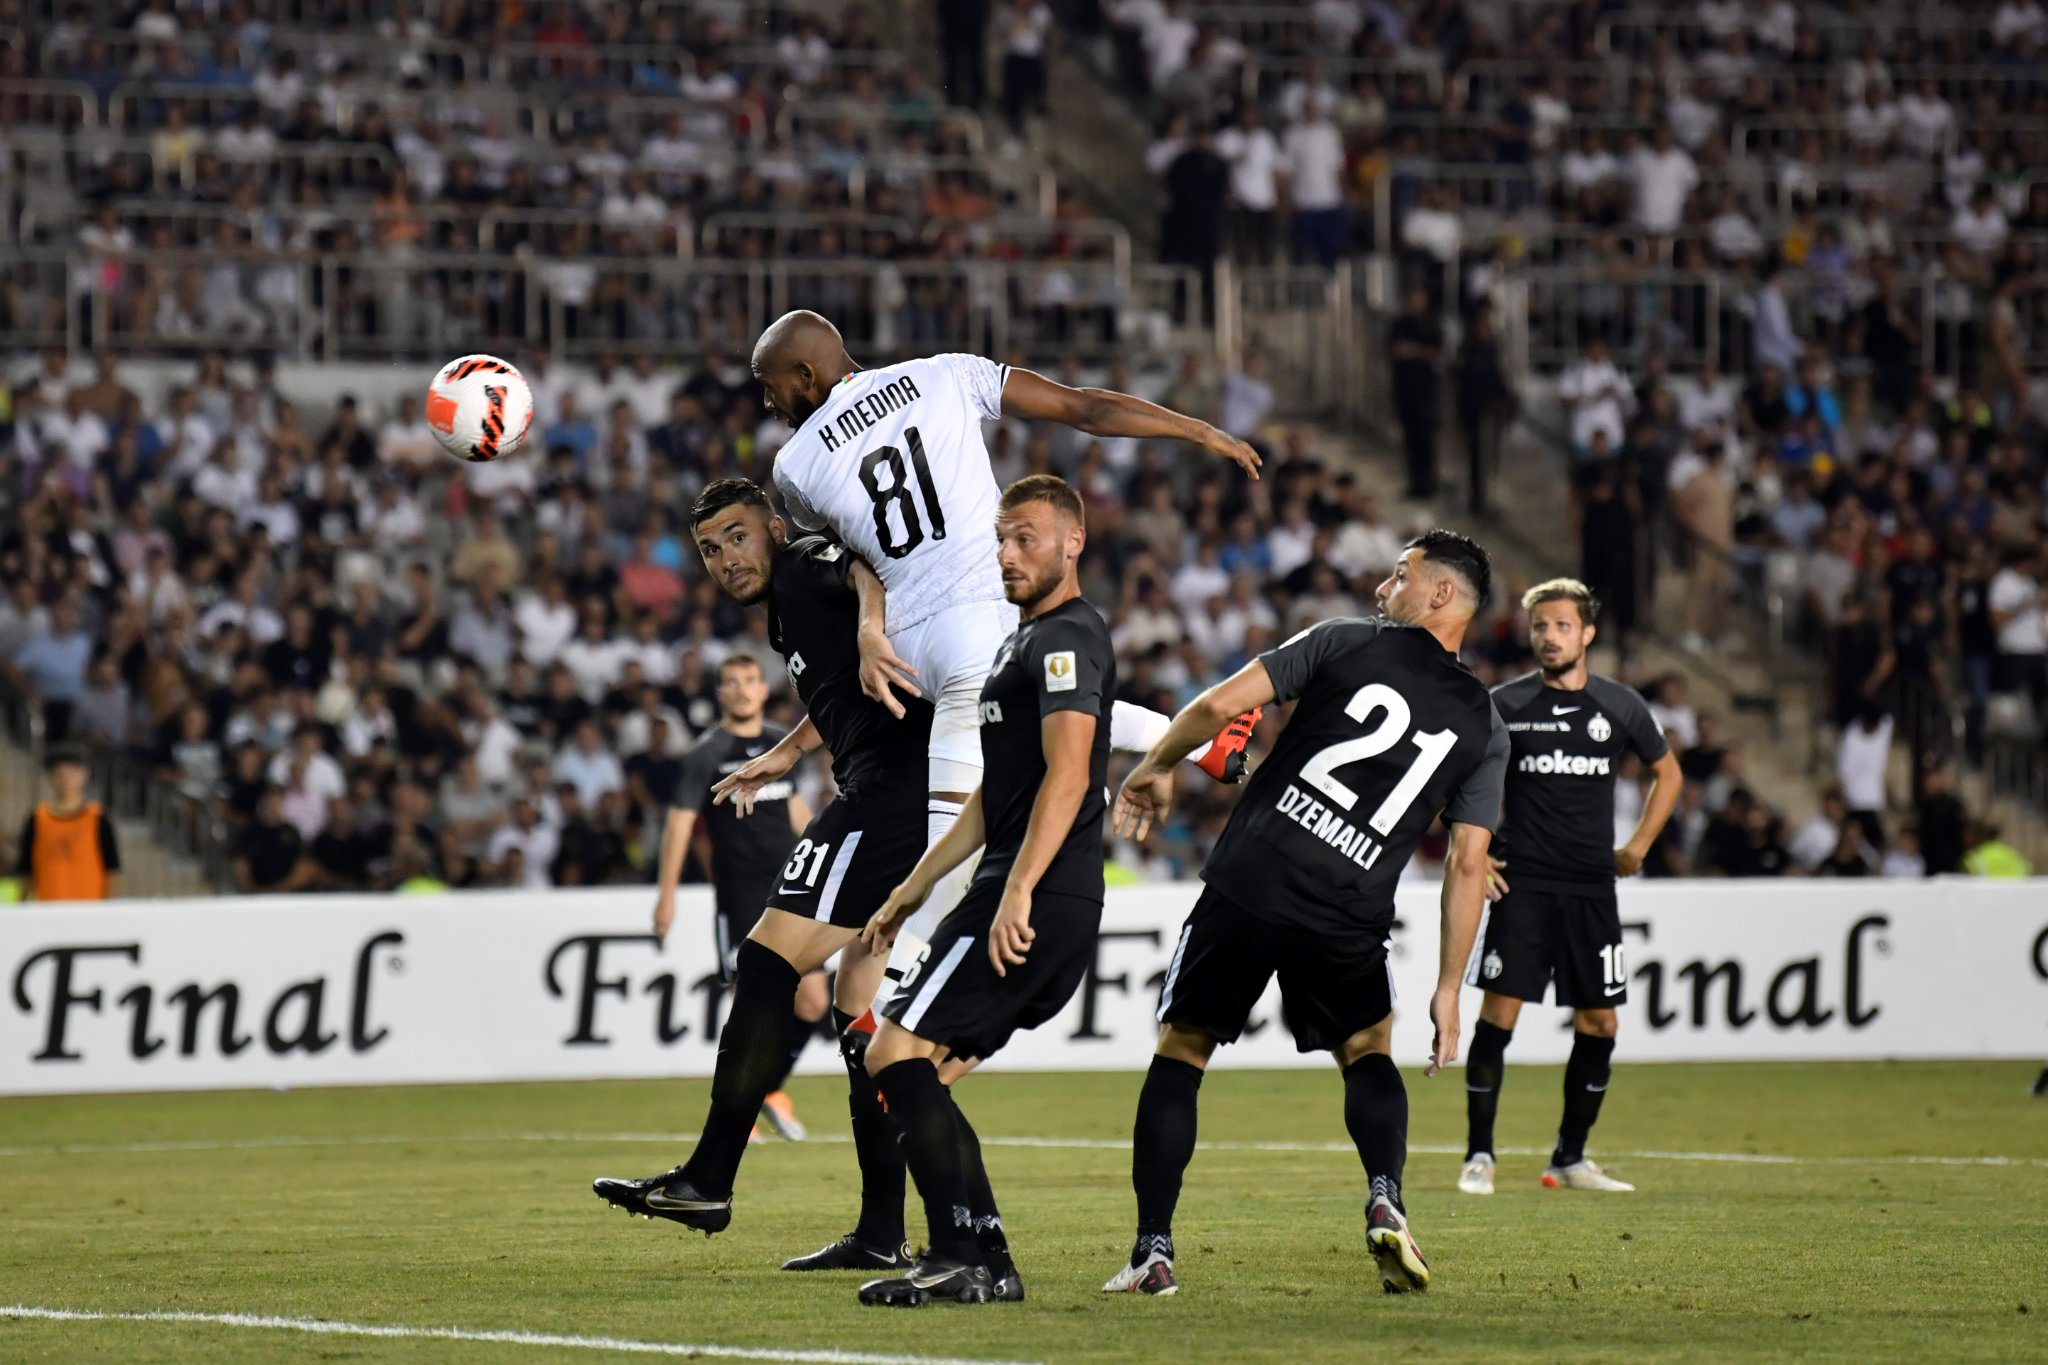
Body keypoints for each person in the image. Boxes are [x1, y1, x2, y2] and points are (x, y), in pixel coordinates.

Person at [749, 311, 1260, 964]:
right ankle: (1204, 742)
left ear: (806, 374)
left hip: (930, 650)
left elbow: (857, 555)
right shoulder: (946, 373)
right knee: (1029, 727)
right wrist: (1196, 429)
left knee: (940, 871)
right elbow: (1085, 409)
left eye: (772, 386)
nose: (770, 402)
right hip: (986, 624)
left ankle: (888, 1025)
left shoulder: (793, 467)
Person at [1104, 530, 1511, 1297]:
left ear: (1441, 595)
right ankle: (1385, 1194)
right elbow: (1466, 862)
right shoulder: (1488, 727)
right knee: (1367, 1048)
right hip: (1348, 905)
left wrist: (1153, 766)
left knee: (1183, 1050)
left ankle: (1153, 1250)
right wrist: (1451, 986)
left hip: (1253, 877)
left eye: (1401, 575)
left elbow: (1220, 705)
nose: (1383, 587)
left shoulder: (1344, 641)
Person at [593, 479, 933, 1275]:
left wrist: (875, 628)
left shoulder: (805, 566)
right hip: (891, 785)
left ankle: (709, 1177)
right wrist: (790, 747)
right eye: (710, 549)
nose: (725, 558)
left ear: (773, 529)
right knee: (857, 1014)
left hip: (892, 790)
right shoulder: (784, 612)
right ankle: (883, 1230)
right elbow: (843, 686)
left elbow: (859, 568)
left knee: (767, 959)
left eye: (738, 536)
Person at [851, 475, 1115, 1308]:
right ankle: (984, 1257)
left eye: (1026, 538)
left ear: (1073, 542)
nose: (1007, 554)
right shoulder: (1018, 642)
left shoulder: (1068, 637)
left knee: (889, 1053)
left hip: (1034, 891)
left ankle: (960, 1253)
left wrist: (1017, 890)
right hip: (1027, 887)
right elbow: (990, 798)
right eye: (1001, 538)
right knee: (923, 1069)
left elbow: (1069, 777)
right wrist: (907, 888)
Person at [1459, 579, 1684, 1199]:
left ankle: (1570, 1158)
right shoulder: (1505, 703)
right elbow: (1452, 771)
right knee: (1499, 1015)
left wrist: (1638, 846)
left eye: (1561, 626)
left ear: (1586, 634)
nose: (1548, 636)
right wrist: (1474, 849)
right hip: (1523, 882)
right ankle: (1479, 1155)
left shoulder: (1619, 706)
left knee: (1600, 1022)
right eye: (1539, 627)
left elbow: (1668, 774)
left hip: (1591, 887)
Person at [660, 652, 817, 1141]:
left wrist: (833, 857)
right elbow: (680, 823)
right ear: (721, 693)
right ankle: (734, 1109)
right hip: (741, 896)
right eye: (733, 682)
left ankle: (766, 1089)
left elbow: (794, 811)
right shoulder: (706, 754)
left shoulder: (780, 745)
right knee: (749, 1005)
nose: (744, 689)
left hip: (792, 891)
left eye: (751, 680)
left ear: (764, 689)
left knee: (812, 1002)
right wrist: (666, 896)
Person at [13, 745, 121, 901]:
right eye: (60, 773)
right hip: (48, 907)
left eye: (72, 772)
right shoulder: (37, 819)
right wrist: (21, 905)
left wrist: (110, 908)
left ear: (84, 776)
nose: (66, 779)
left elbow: (111, 869)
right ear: (51, 778)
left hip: (89, 908)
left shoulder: (97, 818)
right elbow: (26, 869)